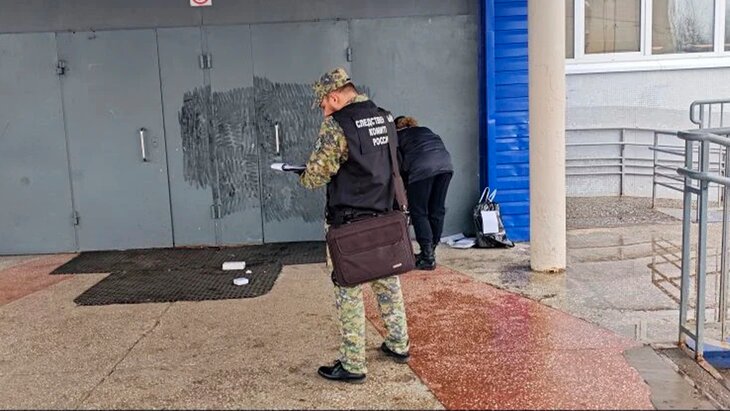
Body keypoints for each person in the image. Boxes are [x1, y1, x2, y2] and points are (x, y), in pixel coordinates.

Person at [298, 67, 410, 384]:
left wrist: (304, 174)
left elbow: (317, 175)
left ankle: (353, 364)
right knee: (387, 281)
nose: (323, 109)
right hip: (385, 215)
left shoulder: (338, 125)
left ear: (334, 97)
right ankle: (399, 344)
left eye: (323, 103)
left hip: (349, 223)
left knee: (348, 289)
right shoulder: (385, 117)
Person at [394, 115, 453, 270]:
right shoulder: (426, 130)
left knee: (419, 212)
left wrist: (404, 186)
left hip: (421, 169)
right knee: (437, 209)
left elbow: (399, 165)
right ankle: (431, 250)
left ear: (396, 127)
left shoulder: (398, 136)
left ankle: (427, 257)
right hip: (445, 166)